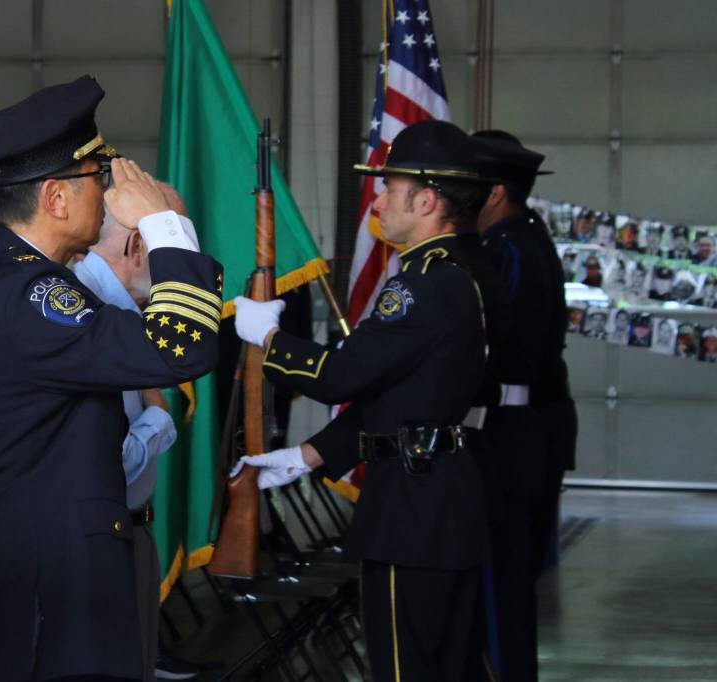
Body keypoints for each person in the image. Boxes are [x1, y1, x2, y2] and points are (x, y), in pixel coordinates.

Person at [0, 75, 222, 680]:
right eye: (99, 179)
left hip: (37, 577)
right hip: (47, 597)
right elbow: (180, 348)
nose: (112, 193)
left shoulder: (5, 276)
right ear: (56, 199)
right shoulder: (31, 293)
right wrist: (163, 225)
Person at [234, 120, 489, 682]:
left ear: (425, 200)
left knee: (406, 668)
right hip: (438, 498)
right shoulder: (455, 272)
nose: (377, 199)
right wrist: (311, 454)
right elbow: (401, 396)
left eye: (388, 188)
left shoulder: (421, 285)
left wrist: (267, 338)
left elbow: (341, 376)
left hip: (413, 509)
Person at [74, 205, 179, 682]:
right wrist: (158, 417)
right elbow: (105, 460)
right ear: (138, 246)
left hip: (125, 529)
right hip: (106, 535)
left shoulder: (114, 307)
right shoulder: (94, 312)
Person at [471, 130, 560, 682]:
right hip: (532, 429)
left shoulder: (505, 249)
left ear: (496, 192)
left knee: (499, 583)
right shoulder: (529, 235)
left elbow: (487, 342)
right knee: (510, 583)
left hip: (509, 433)